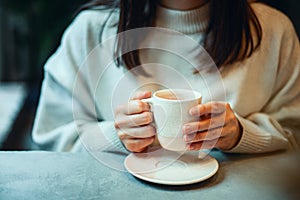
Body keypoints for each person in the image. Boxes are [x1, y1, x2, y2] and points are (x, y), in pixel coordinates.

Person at [32, 0, 300, 154]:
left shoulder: (274, 32)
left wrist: (242, 134)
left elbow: (295, 136)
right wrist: (115, 136)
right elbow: (50, 141)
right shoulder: (89, 32)